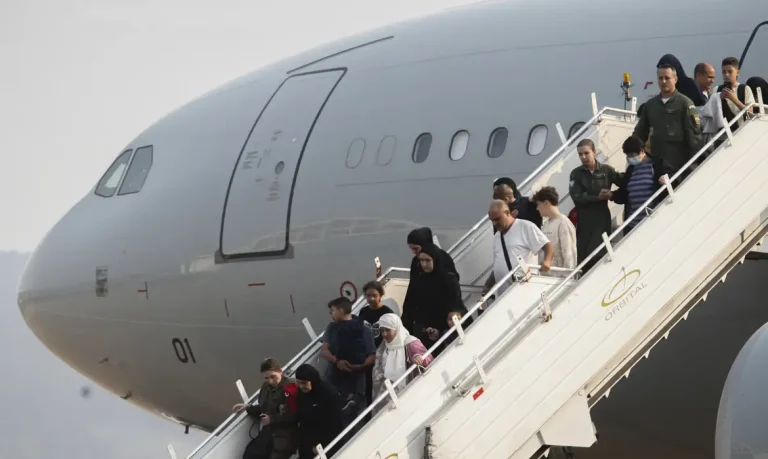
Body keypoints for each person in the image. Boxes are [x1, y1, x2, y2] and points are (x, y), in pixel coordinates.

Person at [633, 63, 702, 180]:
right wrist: (634, 152)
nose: (664, 81)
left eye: (667, 78)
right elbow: (640, 133)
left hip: (679, 168)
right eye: (660, 78)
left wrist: (692, 168)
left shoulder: (685, 104)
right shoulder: (650, 105)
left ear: (675, 79)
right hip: (656, 168)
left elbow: (694, 139)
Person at [569, 139, 623, 273]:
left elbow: (624, 182)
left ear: (594, 152)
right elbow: (576, 197)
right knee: (584, 255)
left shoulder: (606, 171)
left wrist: (612, 194)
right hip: (584, 220)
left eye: (586, 153)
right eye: (580, 154)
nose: (583, 157)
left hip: (601, 218)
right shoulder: (576, 174)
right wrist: (597, 198)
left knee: (600, 252)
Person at [401, 243, 467, 354]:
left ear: (435, 260)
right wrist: (427, 328)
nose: (424, 264)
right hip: (428, 333)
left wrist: (440, 328)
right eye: (421, 261)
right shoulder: (421, 280)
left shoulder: (449, 280)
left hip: (449, 331)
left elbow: (455, 307)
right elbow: (419, 307)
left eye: (427, 260)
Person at [319, 297, 376, 421]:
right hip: (335, 379)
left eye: (332, 310)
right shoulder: (332, 327)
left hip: (356, 382)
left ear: (340, 310)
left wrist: (357, 367)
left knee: (352, 417)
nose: (330, 314)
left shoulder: (363, 329)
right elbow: (324, 351)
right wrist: (337, 362)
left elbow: (372, 356)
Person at [232, 359, 299, 459]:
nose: (270, 381)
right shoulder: (266, 387)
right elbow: (263, 408)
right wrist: (248, 407)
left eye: (273, 376)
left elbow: (295, 414)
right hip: (269, 432)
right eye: (266, 378)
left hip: (284, 435)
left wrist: (272, 419)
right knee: (250, 455)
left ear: (280, 371)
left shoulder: (291, 387)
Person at [485, 200, 554, 296]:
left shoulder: (525, 226)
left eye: (497, 219)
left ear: (507, 213)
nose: (495, 223)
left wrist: (547, 261)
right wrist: (487, 286)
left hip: (524, 289)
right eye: (492, 220)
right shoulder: (497, 236)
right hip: (503, 294)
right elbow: (499, 262)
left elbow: (547, 245)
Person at [371, 313, 433, 414]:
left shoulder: (411, 342)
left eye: (388, 330)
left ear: (397, 328)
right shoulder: (384, 345)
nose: (384, 334)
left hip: (410, 394)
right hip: (388, 394)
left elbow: (429, 360)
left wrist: (419, 359)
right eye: (382, 331)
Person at [611, 136, 663, 236]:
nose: (630, 158)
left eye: (631, 155)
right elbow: (625, 194)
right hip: (633, 224)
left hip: (652, 221)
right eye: (627, 156)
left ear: (642, 151)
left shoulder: (655, 166)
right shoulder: (631, 170)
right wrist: (612, 195)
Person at [357, 280, 394, 406]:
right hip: (367, 354)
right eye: (368, 296)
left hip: (383, 354)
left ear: (380, 295)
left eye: (375, 295)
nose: (371, 298)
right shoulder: (363, 312)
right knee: (368, 385)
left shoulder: (387, 312)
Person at [294, 364, 344, 459]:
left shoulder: (328, 395)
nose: (301, 386)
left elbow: (334, 424)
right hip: (308, 441)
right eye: (298, 383)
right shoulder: (302, 393)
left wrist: (319, 447)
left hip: (327, 442)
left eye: (304, 383)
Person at [530, 186, 577, 277]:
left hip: (558, 281)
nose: (537, 208)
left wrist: (567, 279)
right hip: (546, 278)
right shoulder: (546, 224)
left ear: (546, 203)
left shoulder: (564, 223)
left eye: (538, 204)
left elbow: (569, 255)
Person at [717, 57, 755, 128]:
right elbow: (711, 113)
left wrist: (734, 99)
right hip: (722, 135)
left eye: (730, 71)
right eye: (724, 72)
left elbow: (750, 114)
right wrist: (718, 99)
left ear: (737, 73)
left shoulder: (745, 89)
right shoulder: (716, 90)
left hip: (740, 133)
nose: (727, 75)